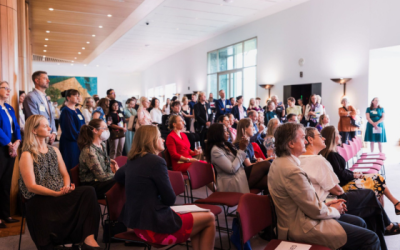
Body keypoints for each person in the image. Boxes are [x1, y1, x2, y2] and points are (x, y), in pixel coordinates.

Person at [268, 122, 380, 250]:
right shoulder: (292, 171)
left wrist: (327, 205)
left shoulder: (278, 163)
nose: (305, 142)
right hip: (303, 227)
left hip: (299, 218)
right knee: (371, 238)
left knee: (360, 222)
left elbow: (303, 202)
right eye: (302, 138)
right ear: (291, 144)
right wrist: (335, 209)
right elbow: (315, 210)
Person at [114, 125, 215, 250]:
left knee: (200, 220)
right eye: (159, 137)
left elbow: (118, 176)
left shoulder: (132, 160)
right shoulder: (156, 162)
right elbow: (170, 199)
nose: (163, 140)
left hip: (138, 225)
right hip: (155, 228)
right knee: (210, 218)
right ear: (150, 141)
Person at [301, 127, 396, 249]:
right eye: (320, 135)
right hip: (329, 201)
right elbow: (337, 189)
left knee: (371, 198)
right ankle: (385, 227)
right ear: (310, 139)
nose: (323, 137)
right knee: (370, 195)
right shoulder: (318, 160)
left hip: (323, 202)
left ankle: (384, 228)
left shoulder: (301, 160)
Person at [19, 115, 100, 250]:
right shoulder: (27, 154)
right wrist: (55, 193)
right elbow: (31, 186)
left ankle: (89, 240)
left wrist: (66, 187)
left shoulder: (54, 150)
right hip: (39, 198)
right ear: (34, 130)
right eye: (45, 126)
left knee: (88, 191)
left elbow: (65, 174)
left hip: (59, 192)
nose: (50, 128)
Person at [320, 126, 400, 214]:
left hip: (344, 182)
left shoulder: (332, 152)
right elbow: (340, 174)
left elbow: (341, 171)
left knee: (378, 179)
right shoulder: (331, 155)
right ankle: (393, 207)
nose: (341, 136)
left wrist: (353, 173)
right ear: (332, 137)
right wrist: (354, 175)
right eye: (338, 134)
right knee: (377, 182)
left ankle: (394, 206)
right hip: (342, 186)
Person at [78, 119, 117, 199]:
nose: (107, 130)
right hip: (91, 185)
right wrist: (117, 175)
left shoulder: (102, 144)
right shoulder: (89, 150)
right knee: (122, 180)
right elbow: (101, 176)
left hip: (102, 182)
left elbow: (107, 168)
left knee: (124, 180)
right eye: (104, 128)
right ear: (95, 130)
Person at [0, 81, 21, 228]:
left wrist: (17, 141)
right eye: (5, 88)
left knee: (6, 182)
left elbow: (16, 126)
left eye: (9, 88)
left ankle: (5, 214)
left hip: (11, 146)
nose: (8, 90)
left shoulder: (8, 107)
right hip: (2, 146)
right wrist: (8, 143)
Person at [205, 123, 249, 193]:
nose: (228, 133)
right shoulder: (215, 150)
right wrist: (242, 150)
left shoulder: (227, 145)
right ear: (218, 133)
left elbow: (239, 159)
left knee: (265, 175)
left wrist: (244, 146)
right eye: (225, 131)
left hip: (240, 175)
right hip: (231, 181)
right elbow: (231, 169)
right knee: (265, 166)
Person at [233, 119, 272, 191]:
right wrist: (260, 163)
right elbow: (248, 165)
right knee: (267, 164)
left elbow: (253, 158)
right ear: (245, 128)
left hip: (251, 173)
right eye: (252, 126)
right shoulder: (240, 145)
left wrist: (258, 160)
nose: (254, 128)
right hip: (244, 176)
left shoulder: (249, 143)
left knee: (270, 180)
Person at [23, 71, 57, 145]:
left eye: (48, 79)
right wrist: (48, 134)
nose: (48, 80)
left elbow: (51, 117)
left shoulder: (46, 97)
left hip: (48, 136)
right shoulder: (31, 97)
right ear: (37, 80)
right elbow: (34, 119)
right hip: (37, 138)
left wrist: (53, 133)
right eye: (45, 78)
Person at [59, 89, 85, 171]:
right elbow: (70, 130)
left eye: (78, 95)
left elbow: (83, 125)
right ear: (68, 98)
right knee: (71, 164)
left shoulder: (77, 110)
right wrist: (81, 138)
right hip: (71, 143)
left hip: (80, 141)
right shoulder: (66, 111)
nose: (78, 97)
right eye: (75, 95)